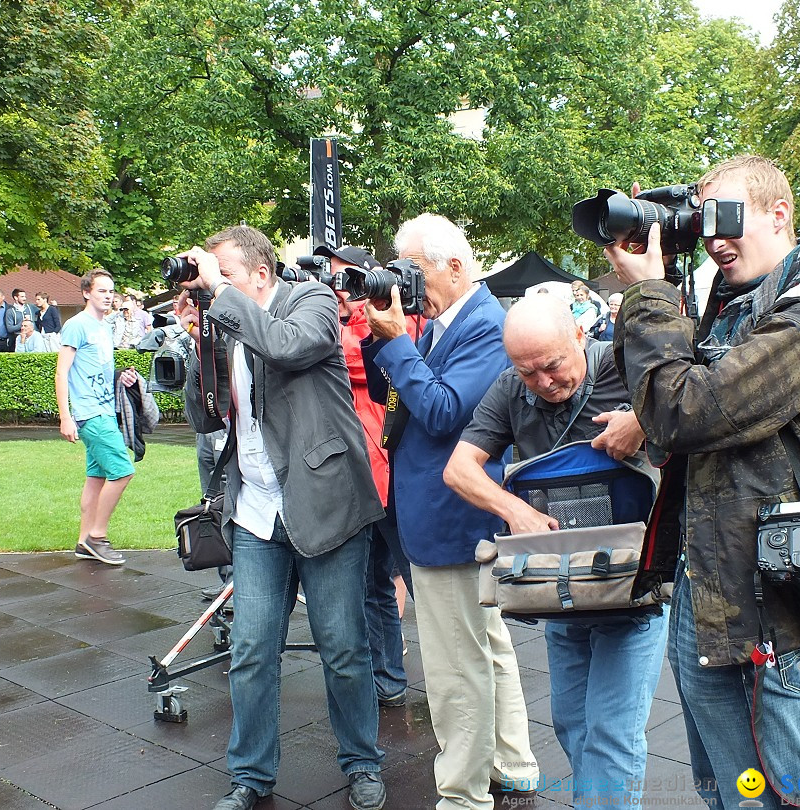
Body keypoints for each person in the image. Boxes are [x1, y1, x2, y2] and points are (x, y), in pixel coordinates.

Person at [603, 154, 800, 810]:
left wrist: (646, 293)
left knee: (764, 795)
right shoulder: (739, 305)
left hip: (754, 604)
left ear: (780, 213)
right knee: (724, 786)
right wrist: (664, 277)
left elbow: (684, 411)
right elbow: (671, 397)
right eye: (705, 222)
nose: (715, 238)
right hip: (708, 582)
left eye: (729, 218)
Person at [174, 225, 386, 810]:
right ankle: (250, 775)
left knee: (343, 649)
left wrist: (223, 299)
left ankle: (363, 762)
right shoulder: (226, 322)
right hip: (255, 514)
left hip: (325, 503)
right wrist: (199, 345)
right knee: (250, 649)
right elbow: (204, 417)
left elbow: (289, 347)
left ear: (260, 274)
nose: (215, 289)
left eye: (227, 276)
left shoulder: (310, 301)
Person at [444, 294, 668, 808]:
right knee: (570, 722)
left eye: (553, 365)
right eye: (528, 373)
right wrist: (515, 512)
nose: (544, 383)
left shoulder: (624, 363)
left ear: (577, 336)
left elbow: (696, 417)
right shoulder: (509, 391)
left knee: (611, 733)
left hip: (632, 586)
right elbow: (458, 469)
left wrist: (642, 419)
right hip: (562, 589)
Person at [362, 213, 538, 810]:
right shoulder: (441, 324)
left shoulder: (488, 327)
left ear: (456, 266)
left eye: (414, 269)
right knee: (485, 645)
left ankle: (463, 794)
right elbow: (396, 386)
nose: (408, 281)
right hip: (443, 515)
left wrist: (398, 342)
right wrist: (379, 327)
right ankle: (512, 764)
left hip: (454, 519)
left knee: (454, 671)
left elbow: (440, 413)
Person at [314, 242, 419, 708]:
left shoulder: (394, 321)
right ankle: (387, 678)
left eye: (349, 279)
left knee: (418, 585)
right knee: (369, 587)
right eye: (333, 279)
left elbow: (356, 362)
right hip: (353, 479)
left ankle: (443, 678)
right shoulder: (342, 324)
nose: (340, 289)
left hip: (389, 478)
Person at [56, 269, 137, 566]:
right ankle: (97, 537)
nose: (108, 296)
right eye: (102, 290)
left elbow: (94, 371)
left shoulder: (104, 327)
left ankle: (82, 541)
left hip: (103, 409)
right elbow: (62, 371)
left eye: (111, 291)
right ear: (87, 292)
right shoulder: (77, 325)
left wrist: (121, 378)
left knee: (96, 477)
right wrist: (66, 416)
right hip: (91, 414)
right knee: (123, 471)